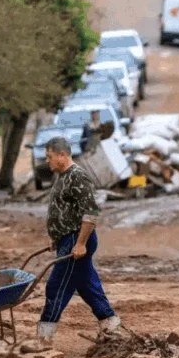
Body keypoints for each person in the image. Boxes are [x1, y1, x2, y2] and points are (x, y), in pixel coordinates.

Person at [36, 137, 121, 345]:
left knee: (57, 286)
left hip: (77, 239)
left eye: (50, 157)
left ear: (62, 155)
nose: (48, 161)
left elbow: (91, 213)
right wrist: (56, 237)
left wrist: (80, 243)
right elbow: (64, 210)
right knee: (86, 285)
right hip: (68, 239)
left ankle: (44, 337)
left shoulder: (77, 176)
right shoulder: (62, 176)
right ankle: (110, 324)